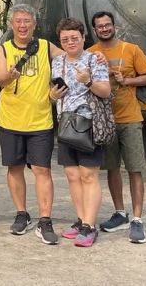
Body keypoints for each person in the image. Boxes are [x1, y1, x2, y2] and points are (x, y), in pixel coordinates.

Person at [0, 3, 66, 245]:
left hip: (40, 121)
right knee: (14, 168)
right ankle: (21, 213)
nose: (22, 25)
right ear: (11, 25)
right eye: (18, 21)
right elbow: (0, 79)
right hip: (10, 120)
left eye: (27, 21)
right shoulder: (2, 50)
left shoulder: (45, 46)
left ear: (34, 25)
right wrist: (9, 75)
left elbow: (70, 57)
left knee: (42, 170)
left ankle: (45, 219)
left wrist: (94, 55)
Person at [87, 11, 146, 244]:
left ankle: (137, 219)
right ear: (95, 30)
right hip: (104, 120)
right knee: (111, 168)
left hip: (130, 118)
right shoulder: (91, 53)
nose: (104, 29)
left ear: (114, 26)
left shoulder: (131, 50)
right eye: (100, 26)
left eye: (107, 25)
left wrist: (127, 81)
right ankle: (120, 213)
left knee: (135, 168)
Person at [50, 17, 111, 247]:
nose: (70, 42)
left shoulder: (94, 59)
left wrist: (88, 81)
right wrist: (52, 96)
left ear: (84, 37)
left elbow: (105, 91)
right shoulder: (58, 62)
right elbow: (54, 91)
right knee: (72, 175)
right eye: (65, 39)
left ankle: (89, 225)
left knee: (88, 175)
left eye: (74, 38)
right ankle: (80, 219)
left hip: (88, 124)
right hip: (66, 123)